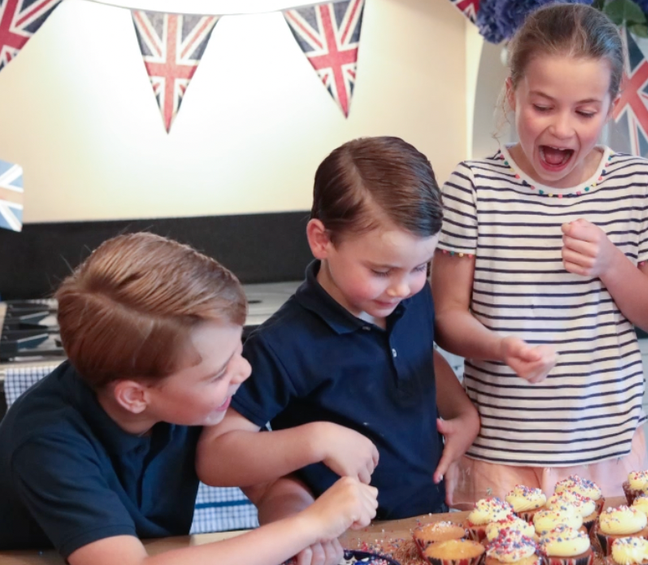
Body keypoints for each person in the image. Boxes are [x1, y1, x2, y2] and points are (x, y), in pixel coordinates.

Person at [0, 232, 378, 565]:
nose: (242, 372)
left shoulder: (196, 399)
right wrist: (307, 524)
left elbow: (267, 483)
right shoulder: (46, 440)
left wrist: (295, 525)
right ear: (134, 396)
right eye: (218, 373)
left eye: (238, 350)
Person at [432, 2, 648, 505]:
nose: (562, 129)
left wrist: (611, 263)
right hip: (499, 454)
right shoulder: (473, 189)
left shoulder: (639, 186)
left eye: (585, 112)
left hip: (607, 451)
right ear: (512, 94)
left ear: (612, 107)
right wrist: (501, 347)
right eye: (542, 106)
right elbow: (445, 319)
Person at [197, 136, 480, 524]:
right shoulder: (282, 344)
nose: (402, 288)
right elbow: (215, 457)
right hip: (342, 541)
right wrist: (315, 439)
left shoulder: (411, 299)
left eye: (420, 267)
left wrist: (463, 413)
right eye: (381, 271)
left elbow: (419, 356)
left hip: (426, 523)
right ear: (322, 239)